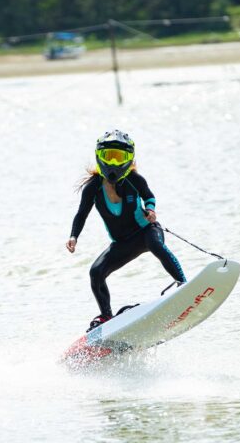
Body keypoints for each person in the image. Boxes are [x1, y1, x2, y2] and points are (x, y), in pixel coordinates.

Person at [66, 130, 186, 332]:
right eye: (108, 156)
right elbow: (81, 214)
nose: (113, 163)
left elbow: (149, 196)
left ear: (129, 159)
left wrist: (151, 209)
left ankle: (183, 285)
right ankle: (106, 316)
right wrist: (73, 236)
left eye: (119, 157)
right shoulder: (93, 187)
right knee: (96, 272)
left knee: (156, 244)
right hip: (122, 243)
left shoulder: (134, 179)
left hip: (147, 231)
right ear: (99, 157)